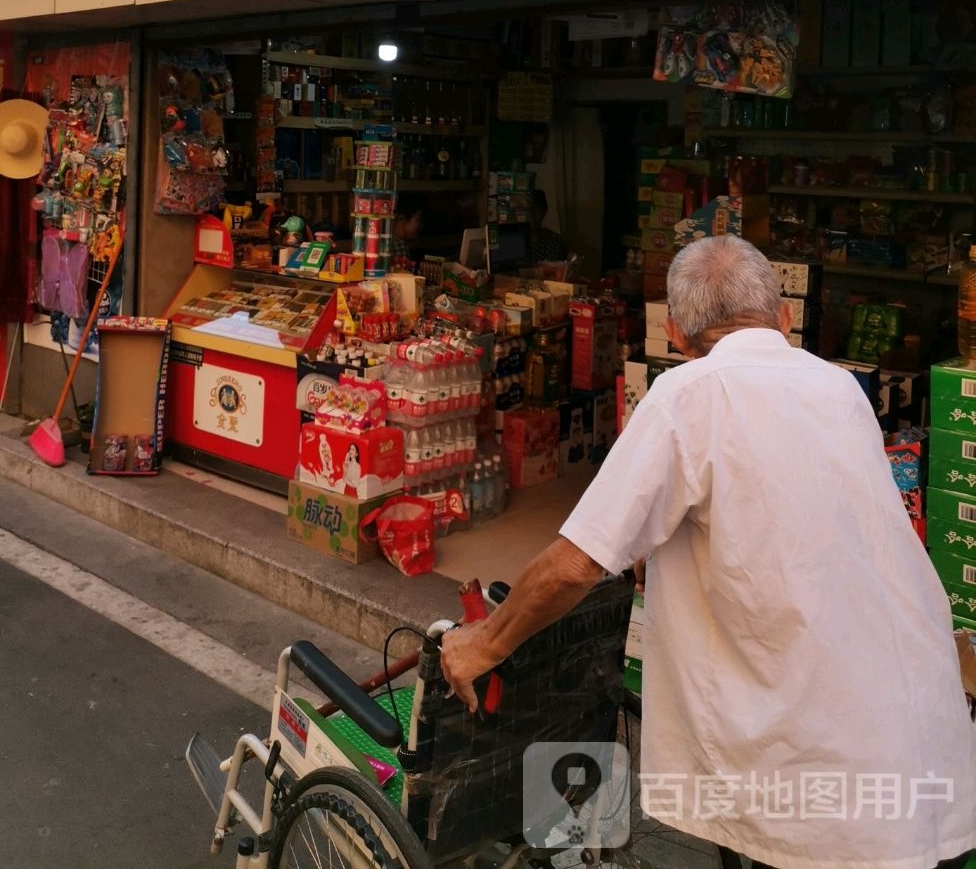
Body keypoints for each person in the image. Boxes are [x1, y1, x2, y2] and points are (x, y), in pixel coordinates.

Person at [442, 236, 976, 869]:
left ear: (673, 332)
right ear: (783, 319)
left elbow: (576, 562)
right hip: (918, 710)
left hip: (823, 743)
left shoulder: (687, 393)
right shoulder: (837, 388)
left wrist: (482, 645)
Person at [525, 188, 566, 265]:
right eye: (526, 210)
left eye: (536, 209)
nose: (531, 215)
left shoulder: (553, 240)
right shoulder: (513, 241)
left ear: (544, 211)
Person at [390, 194, 424, 269]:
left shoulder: (394, 242)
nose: (420, 225)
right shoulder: (399, 245)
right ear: (402, 219)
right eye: (418, 220)